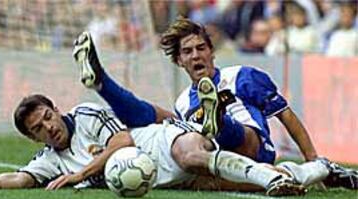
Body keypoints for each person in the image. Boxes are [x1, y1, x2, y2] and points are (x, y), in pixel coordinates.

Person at [71, 17, 357, 189]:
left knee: (227, 133)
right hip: (216, 159)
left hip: (253, 147)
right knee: (159, 119)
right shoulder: (184, 100)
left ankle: (217, 116)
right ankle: (102, 84)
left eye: (201, 48)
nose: (196, 56)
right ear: (179, 61)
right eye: (188, 52)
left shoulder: (243, 76)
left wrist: (311, 158)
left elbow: (287, 117)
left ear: (212, 52)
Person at [0, 94, 338, 195]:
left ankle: (215, 129)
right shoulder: (51, 158)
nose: (49, 128)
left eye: (48, 117)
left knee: (191, 156)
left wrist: (82, 175)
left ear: (55, 109)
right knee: (246, 184)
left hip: (160, 141)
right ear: (33, 137)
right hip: (163, 179)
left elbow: (122, 141)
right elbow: (23, 178)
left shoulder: (85, 114)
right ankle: (320, 169)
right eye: (39, 129)